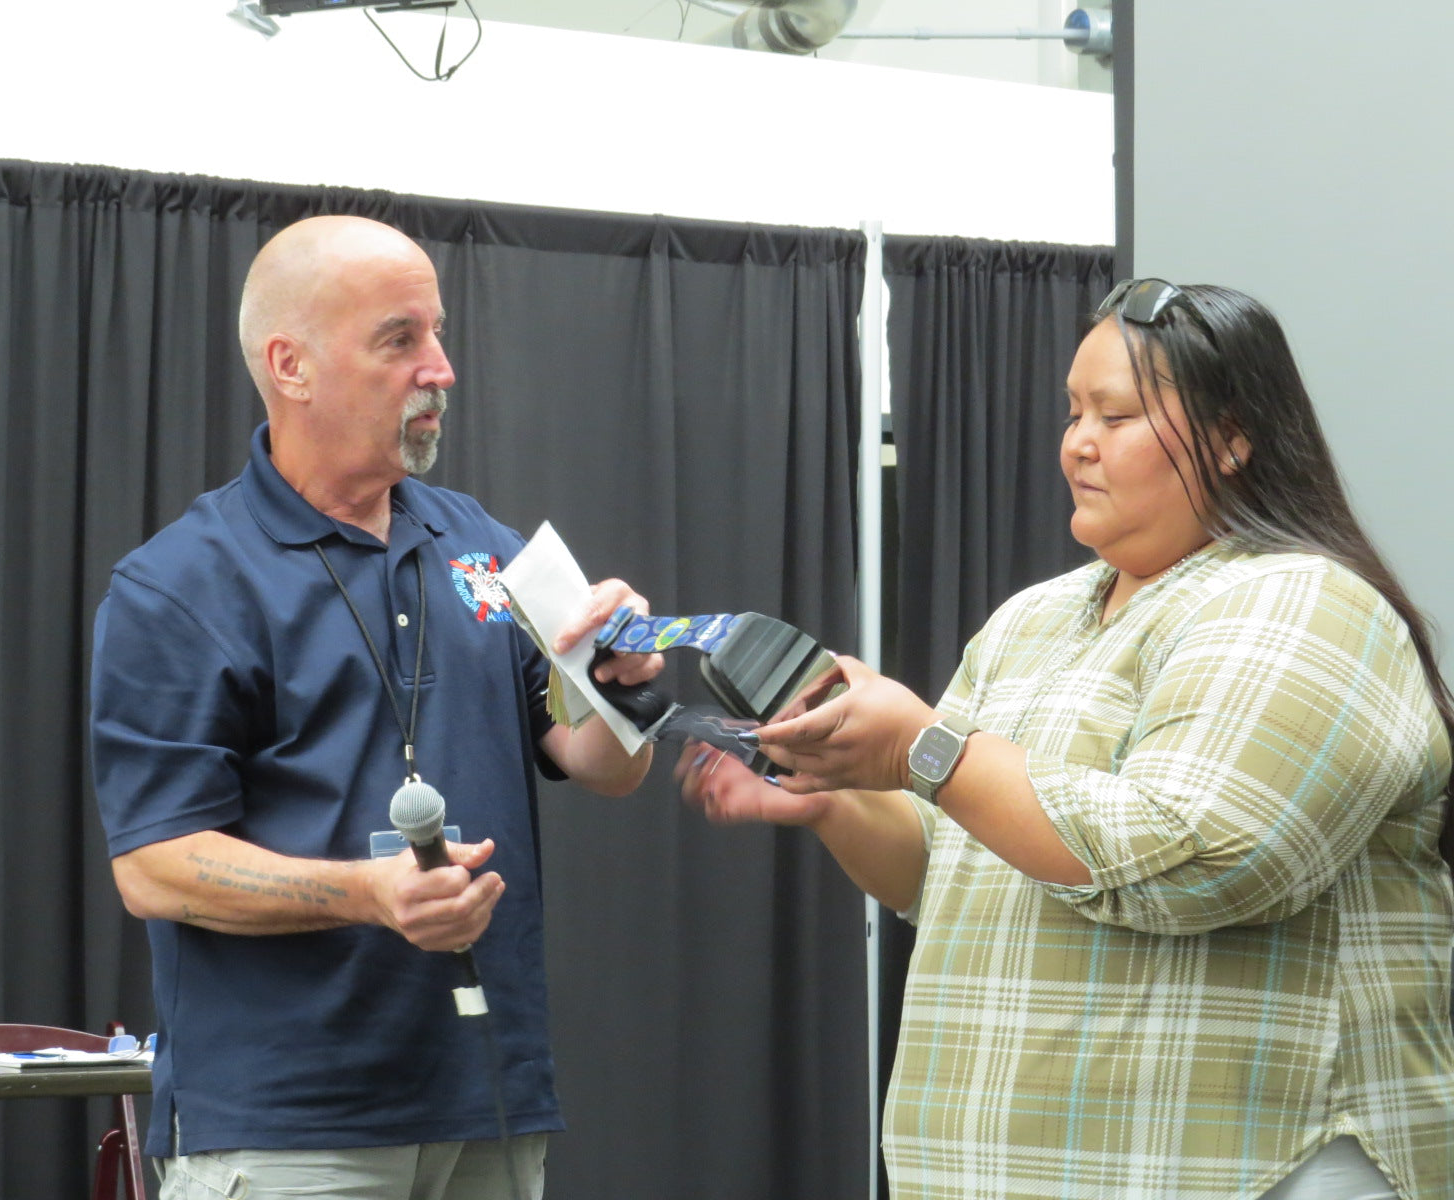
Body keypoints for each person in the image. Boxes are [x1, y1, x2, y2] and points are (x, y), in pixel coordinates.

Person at [683, 279, 1454, 1199]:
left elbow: (1196, 858)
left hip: (1255, 1168)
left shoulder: (1302, 600)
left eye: (1116, 416)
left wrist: (925, 748)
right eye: (1073, 411)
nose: (1078, 443)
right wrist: (835, 797)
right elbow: (945, 870)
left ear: (1232, 438)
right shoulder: (1032, 620)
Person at [90, 214, 661, 1200]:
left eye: (438, 334)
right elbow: (153, 867)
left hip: (489, 1104)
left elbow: (605, 766)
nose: (440, 369)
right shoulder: (179, 585)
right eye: (400, 340)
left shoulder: (481, 546)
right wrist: (368, 894)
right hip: (288, 1127)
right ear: (292, 367)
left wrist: (616, 687)